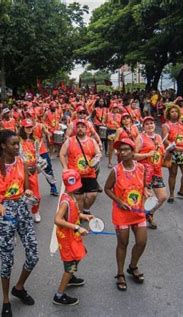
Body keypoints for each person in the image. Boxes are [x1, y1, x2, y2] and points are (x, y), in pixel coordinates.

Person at [0, 130, 39, 317]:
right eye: (13, 144)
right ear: (3, 146)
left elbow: (27, 187)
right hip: (5, 212)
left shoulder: (21, 162)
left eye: (18, 144)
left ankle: (19, 287)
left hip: (22, 208)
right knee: (7, 261)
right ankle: (6, 300)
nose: (17, 147)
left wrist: (29, 194)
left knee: (33, 254)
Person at [104, 138, 152, 291]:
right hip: (121, 213)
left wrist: (146, 191)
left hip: (138, 212)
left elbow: (143, 185)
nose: (122, 152)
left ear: (133, 152)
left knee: (141, 242)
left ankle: (132, 266)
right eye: (120, 150)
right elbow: (107, 189)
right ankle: (120, 274)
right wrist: (118, 201)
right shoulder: (116, 171)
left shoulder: (141, 168)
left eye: (126, 149)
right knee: (123, 243)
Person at [53, 169, 93, 305]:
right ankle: (59, 295)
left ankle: (69, 278)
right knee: (71, 265)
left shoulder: (71, 196)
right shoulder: (65, 201)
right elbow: (57, 219)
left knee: (79, 255)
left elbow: (75, 211)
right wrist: (77, 227)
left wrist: (84, 216)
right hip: (67, 238)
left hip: (72, 236)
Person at [59, 120, 102, 216]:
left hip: (90, 174)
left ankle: (86, 209)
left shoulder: (92, 141)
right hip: (75, 175)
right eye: (78, 127)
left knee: (93, 195)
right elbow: (62, 154)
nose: (80, 129)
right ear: (75, 129)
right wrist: (65, 168)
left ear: (87, 129)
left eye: (83, 127)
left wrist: (96, 159)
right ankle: (80, 215)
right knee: (79, 197)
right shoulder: (70, 141)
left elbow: (98, 153)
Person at [134, 116, 168, 229]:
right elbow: (133, 156)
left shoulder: (158, 137)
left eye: (152, 123)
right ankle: (140, 222)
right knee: (146, 199)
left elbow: (162, 154)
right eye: (147, 124)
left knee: (162, 197)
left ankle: (149, 213)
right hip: (144, 174)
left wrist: (168, 151)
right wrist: (147, 155)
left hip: (157, 172)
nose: (150, 125)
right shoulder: (141, 138)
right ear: (143, 126)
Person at [19, 119, 42, 223]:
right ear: (23, 128)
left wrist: (38, 165)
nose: (29, 129)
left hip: (32, 171)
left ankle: (35, 212)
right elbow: (17, 156)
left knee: (36, 195)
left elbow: (37, 155)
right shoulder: (18, 140)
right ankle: (22, 214)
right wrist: (23, 168)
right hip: (21, 171)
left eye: (30, 127)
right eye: (27, 127)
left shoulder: (35, 140)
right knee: (20, 194)